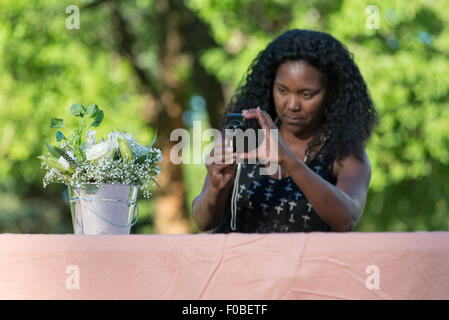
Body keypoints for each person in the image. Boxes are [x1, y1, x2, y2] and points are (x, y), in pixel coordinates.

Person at [192, 29, 379, 233]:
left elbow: (346, 219)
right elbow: (202, 222)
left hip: (303, 265)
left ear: (331, 92)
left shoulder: (345, 153)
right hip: (235, 264)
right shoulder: (244, 136)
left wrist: (288, 161)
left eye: (306, 94)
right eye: (282, 91)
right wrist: (216, 189)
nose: (292, 105)